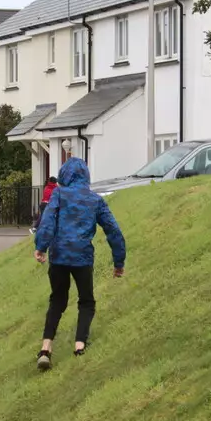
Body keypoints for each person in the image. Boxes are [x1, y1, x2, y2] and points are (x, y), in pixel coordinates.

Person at [32, 157, 125, 371]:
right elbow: (113, 231)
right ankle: (80, 346)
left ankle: (46, 349)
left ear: (65, 175)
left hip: (59, 256)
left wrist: (41, 247)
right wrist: (118, 262)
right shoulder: (95, 200)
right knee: (86, 301)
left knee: (57, 300)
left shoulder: (58, 194)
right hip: (82, 257)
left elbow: (47, 221)